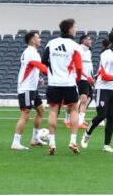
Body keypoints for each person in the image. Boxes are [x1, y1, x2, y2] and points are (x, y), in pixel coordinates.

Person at [41, 18, 90, 155]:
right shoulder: (74, 46)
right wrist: (78, 78)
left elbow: (43, 61)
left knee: (53, 111)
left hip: (54, 83)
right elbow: (79, 67)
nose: (75, 29)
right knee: (74, 110)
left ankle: (51, 142)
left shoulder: (51, 43)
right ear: (69, 29)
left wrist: (53, 70)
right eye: (74, 27)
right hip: (69, 83)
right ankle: (73, 141)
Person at [81, 31, 113, 153]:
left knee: (111, 117)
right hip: (103, 88)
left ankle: (107, 145)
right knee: (102, 115)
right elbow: (105, 76)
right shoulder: (106, 54)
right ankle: (87, 133)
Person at [11, 30, 49, 151]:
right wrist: (53, 74)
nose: (40, 39)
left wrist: (38, 78)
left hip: (32, 88)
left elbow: (29, 68)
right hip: (26, 88)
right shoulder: (31, 52)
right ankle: (15, 142)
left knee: (41, 110)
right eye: (38, 37)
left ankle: (35, 138)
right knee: (25, 114)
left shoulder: (30, 52)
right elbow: (41, 67)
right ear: (32, 40)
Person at [77, 34, 95, 129]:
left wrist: (91, 77)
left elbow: (89, 66)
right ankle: (77, 121)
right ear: (83, 40)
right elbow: (77, 66)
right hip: (80, 78)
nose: (91, 41)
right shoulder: (78, 50)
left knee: (87, 98)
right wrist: (85, 76)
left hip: (88, 79)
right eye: (89, 39)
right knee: (83, 99)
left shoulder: (88, 52)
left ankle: (80, 120)